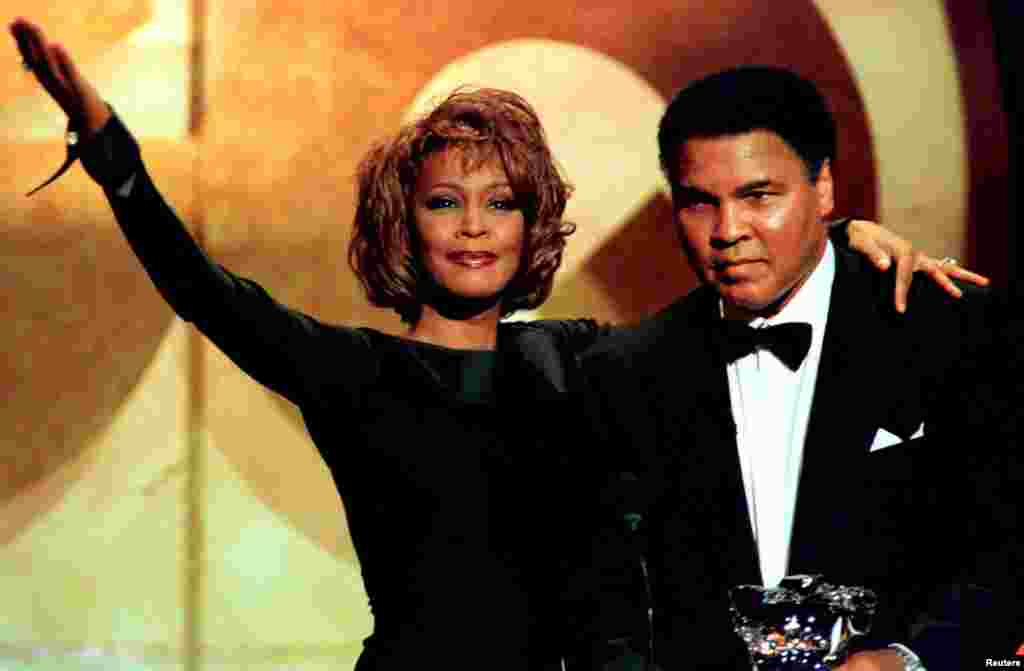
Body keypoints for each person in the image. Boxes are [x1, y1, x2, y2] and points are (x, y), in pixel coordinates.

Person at [9, 20, 988, 670]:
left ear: (533, 224)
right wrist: (112, 152)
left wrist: (850, 243)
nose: (473, 227)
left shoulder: (580, 360)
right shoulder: (356, 371)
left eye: (500, 202)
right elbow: (205, 293)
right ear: (407, 220)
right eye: (445, 201)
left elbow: (742, 306)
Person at [577, 66, 1016, 671]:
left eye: (759, 196)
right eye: (700, 203)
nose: (728, 232)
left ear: (825, 188)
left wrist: (915, 659)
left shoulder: (949, 328)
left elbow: (1007, 557)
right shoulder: (627, 371)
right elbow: (609, 604)